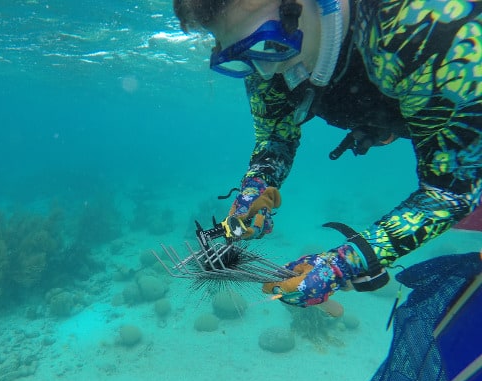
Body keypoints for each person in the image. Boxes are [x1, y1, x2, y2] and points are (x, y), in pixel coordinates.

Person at [172, 0, 482, 309]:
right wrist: (254, 192)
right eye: (241, 55)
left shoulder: (423, 28)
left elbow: (449, 191)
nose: (264, 70)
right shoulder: (265, 58)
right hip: (393, 116)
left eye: (269, 44)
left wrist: (343, 264)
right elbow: (274, 139)